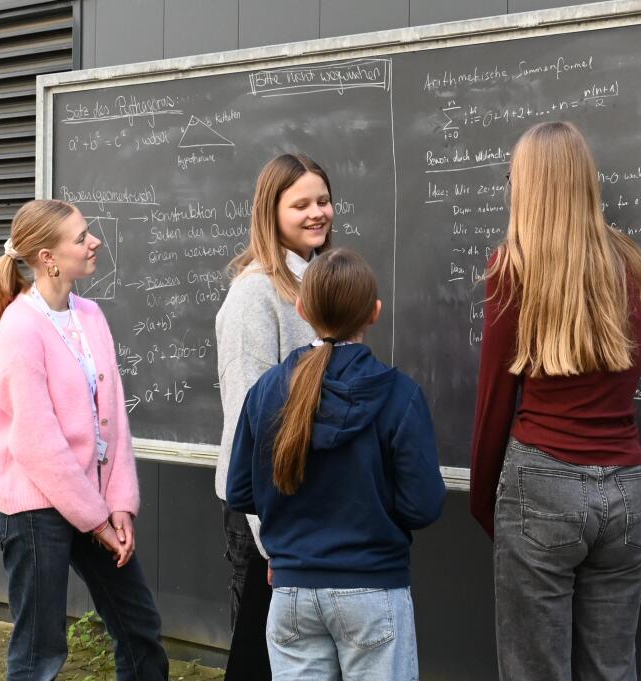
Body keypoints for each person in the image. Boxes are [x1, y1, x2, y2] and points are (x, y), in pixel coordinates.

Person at [470, 121, 641, 681]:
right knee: (612, 669)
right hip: (625, 485)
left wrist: (483, 501)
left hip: (543, 481)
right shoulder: (629, 263)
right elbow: (626, 379)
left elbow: (495, 397)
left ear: (529, 185)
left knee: (535, 670)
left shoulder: (514, 266)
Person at [226, 248, 446, 681]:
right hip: (373, 589)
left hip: (291, 592)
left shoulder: (267, 390)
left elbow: (240, 491)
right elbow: (422, 506)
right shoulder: (399, 395)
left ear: (302, 309)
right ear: (374, 312)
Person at [0, 199, 168, 680]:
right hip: (35, 508)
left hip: (91, 499)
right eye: (82, 237)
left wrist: (119, 502)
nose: (95, 242)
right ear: (48, 258)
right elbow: (35, 442)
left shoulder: (91, 315)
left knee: (139, 627)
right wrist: (97, 519)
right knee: (40, 651)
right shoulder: (21, 327)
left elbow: (114, 417)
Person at [216, 153, 333, 677]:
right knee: (260, 657)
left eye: (323, 201)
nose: (317, 213)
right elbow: (250, 418)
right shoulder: (256, 292)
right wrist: (270, 537)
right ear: (271, 212)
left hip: (306, 501)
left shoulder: (317, 280)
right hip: (266, 509)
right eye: (300, 204)